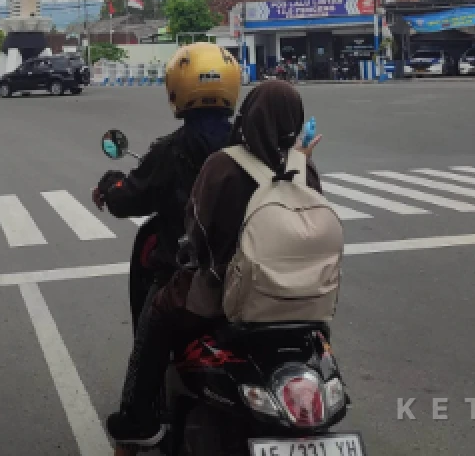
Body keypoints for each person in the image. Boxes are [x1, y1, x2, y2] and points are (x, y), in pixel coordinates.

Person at [105, 80, 329, 447]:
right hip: (301, 298)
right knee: (317, 335)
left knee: (157, 315)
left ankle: (139, 420)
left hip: (230, 294)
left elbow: (198, 232)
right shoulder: (305, 169)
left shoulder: (224, 165)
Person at [93, 43, 242, 327]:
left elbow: (131, 197)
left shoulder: (170, 151)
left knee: (150, 346)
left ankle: (141, 371)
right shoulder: (250, 145)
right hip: (243, 274)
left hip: (185, 274)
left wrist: (109, 186)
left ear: (177, 87)